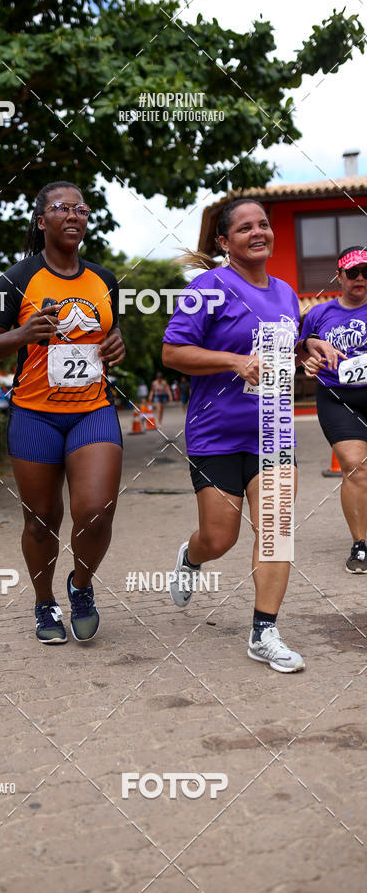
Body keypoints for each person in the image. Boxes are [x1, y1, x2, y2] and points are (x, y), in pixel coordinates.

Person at [162, 198, 337, 673]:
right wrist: (232, 361)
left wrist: (309, 347)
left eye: (263, 224)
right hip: (216, 433)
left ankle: (264, 632)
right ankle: (191, 556)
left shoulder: (284, 293)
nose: (258, 232)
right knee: (220, 538)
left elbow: (285, 349)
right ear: (225, 242)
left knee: (277, 531)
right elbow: (173, 352)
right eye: (244, 228)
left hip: (274, 432)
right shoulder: (208, 287)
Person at [0, 181, 125, 644]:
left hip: (92, 410)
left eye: (81, 208)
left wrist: (118, 344)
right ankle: (44, 603)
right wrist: (21, 335)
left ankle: (80, 587)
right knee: (41, 520)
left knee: (95, 511)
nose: (74, 214)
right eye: (62, 208)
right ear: (42, 221)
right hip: (34, 414)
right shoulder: (17, 279)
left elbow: (110, 337)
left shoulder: (103, 279)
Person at [301, 245, 367, 573]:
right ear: (339, 276)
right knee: (355, 467)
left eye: (366, 273)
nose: (360, 279)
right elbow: (302, 353)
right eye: (353, 272)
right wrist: (309, 361)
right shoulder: (318, 314)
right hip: (337, 398)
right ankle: (360, 545)